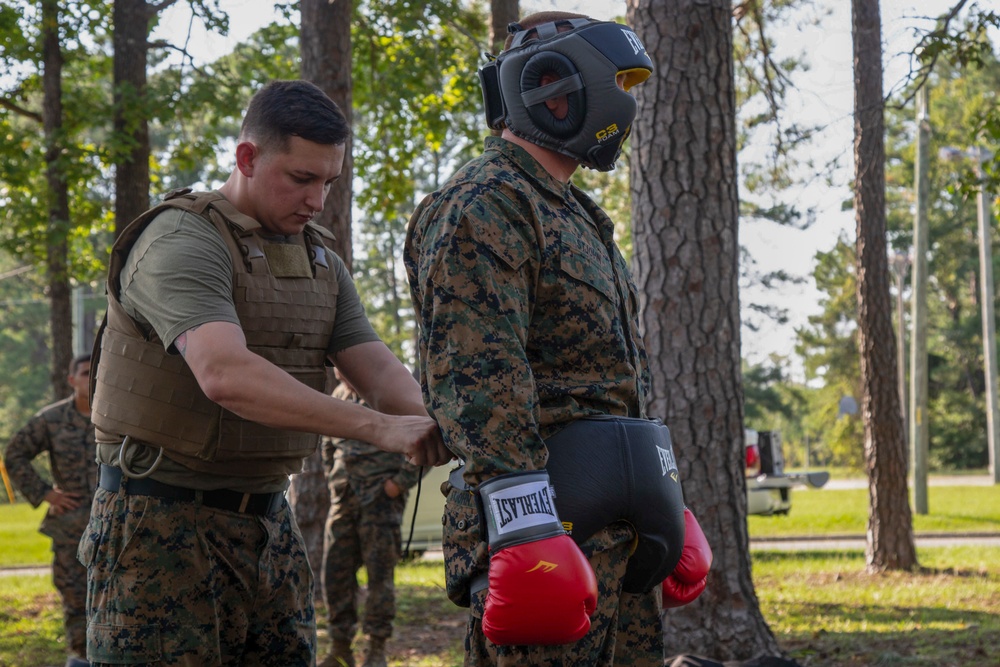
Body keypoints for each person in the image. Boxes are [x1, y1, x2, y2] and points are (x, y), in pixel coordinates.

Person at [81, 79, 451, 667]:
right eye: (301, 179)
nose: (316, 201)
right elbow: (225, 373)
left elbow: (375, 367)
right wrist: (381, 430)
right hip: (158, 526)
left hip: (267, 526)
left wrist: (437, 424)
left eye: (329, 182)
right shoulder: (180, 241)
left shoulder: (320, 258)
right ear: (247, 158)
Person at [405, 12, 712, 667]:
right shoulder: (484, 203)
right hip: (552, 528)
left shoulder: (574, 213)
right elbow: (476, 374)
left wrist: (665, 490)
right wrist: (526, 526)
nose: (627, 104)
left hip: (620, 529)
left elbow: (616, 377)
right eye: (618, 82)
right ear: (555, 86)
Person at [319, 369, 424, 667]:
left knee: (380, 578)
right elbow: (328, 445)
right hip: (344, 500)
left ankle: (376, 650)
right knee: (335, 574)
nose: (340, 372)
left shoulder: (388, 395)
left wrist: (398, 484)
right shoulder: (338, 396)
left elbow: (422, 440)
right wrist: (333, 480)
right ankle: (340, 647)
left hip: (380, 500)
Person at [4, 353, 96, 667]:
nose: (90, 377)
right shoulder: (52, 419)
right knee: (75, 601)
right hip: (70, 527)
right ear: (71, 380)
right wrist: (46, 494)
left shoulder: (117, 417)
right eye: (84, 372)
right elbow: (14, 455)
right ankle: (80, 660)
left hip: (116, 526)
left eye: (96, 371)